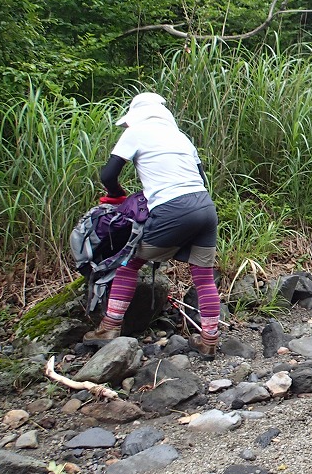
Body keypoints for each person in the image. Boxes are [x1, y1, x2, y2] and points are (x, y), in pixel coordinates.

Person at [83, 92, 222, 358]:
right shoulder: (181, 137)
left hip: (173, 208)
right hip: (205, 207)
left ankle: (109, 327)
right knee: (204, 277)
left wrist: (117, 196)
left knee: (128, 262)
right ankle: (209, 340)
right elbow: (201, 178)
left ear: (136, 116)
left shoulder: (136, 132)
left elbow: (108, 175)